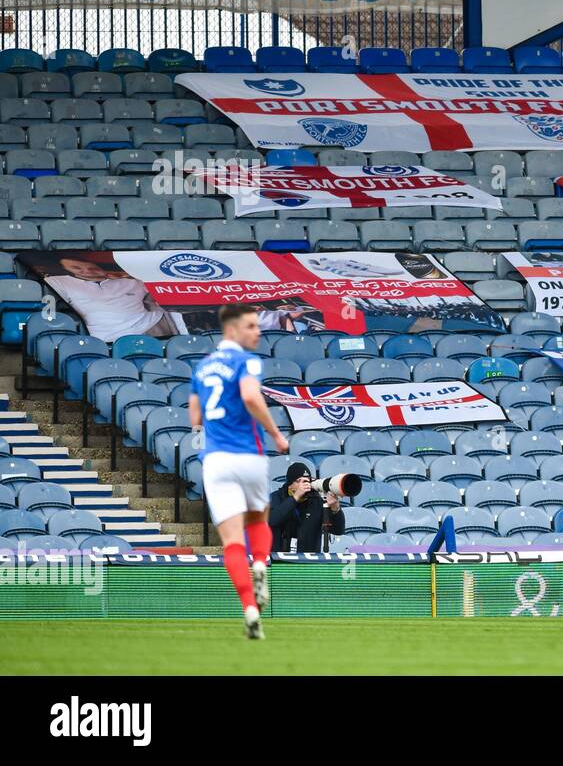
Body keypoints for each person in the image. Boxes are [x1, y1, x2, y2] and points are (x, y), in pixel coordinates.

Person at [189, 303, 290, 639]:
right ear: (232, 330)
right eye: (251, 326)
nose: (257, 332)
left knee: (232, 543)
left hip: (215, 460)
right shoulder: (246, 360)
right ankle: (261, 562)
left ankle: (248, 607)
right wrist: (275, 433)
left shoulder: (201, 368)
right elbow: (250, 396)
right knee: (258, 521)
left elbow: (195, 418)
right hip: (249, 455)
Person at [46, 257, 178, 340]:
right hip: (102, 336)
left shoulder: (132, 282)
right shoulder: (60, 282)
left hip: (149, 327)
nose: (87, 271)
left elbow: (165, 290)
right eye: (77, 268)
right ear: (66, 270)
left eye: (92, 267)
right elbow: (49, 306)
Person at [268, 462, 346, 554]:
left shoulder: (316, 500)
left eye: (307, 481)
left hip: (309, 562)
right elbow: (272, 520)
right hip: (279, 560)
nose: (304, 484)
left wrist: (335, 508)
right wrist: (295, 497)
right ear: (290, 484)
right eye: (299, 481)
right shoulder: (276, 498)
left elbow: (338, 530)